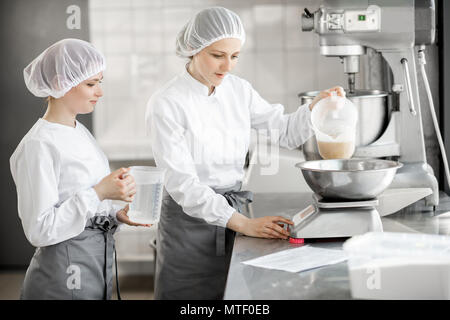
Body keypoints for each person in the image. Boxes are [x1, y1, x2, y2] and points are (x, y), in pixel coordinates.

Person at [145, 7, 345, 300]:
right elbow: (183, 185)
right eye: (218, 55)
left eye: (235, 56)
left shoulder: (238, 90)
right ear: (194, 48)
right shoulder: (167, 103)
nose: (227, 66)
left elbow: (284, 131)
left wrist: (316, 106)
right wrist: (245, 224)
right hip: (189, 226)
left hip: (234, 214)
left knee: (234, 294)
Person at [10, 38, 149, 300]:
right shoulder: (39, 144)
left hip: (96, 263)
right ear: (62, 82)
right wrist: (99, 192)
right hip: (63, 275)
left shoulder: (80, 131)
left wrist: (116, 214)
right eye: (91, 84)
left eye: (100, 82)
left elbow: (83, 202)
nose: (100, 92)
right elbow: (40, 229)